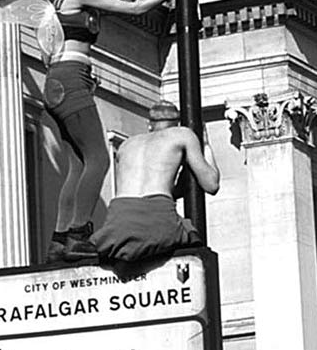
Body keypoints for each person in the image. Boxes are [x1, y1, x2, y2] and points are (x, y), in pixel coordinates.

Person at [44, 0, 197, 263]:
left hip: (67, 80)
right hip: (71, 79)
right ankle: (77, 234)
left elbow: (129, 1)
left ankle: (60, 238)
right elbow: (134, 9)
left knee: (77, 165)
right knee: (98, 160)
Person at [91, 99, 220, 264]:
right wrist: (206, 145)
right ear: (176, 123)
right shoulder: (183, 134)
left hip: (118, 219)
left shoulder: (126, 145)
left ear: (149, 124)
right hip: (158, 217)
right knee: (190, 233)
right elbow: (211, 185)